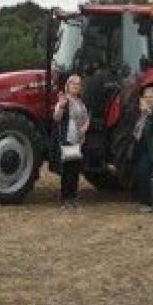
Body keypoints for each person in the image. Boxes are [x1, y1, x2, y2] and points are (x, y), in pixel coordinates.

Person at [53, 74, 90, 209]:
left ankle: (73, 198)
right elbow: (56, 118)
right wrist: (61, 106)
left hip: (78, 142)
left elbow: (86, 118)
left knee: (75, 171)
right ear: (68, 86)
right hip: (67, 141)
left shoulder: (80, 103)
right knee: (67, 171)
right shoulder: (64, 100)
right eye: (74, 83)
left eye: (79, 84)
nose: (76, 86)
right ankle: (65, 199)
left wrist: (85, 127)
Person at [130, 86, 153, 212]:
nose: (148, 99)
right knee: (140, 174)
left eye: (151, 97)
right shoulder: (142, 113)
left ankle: (148, 204)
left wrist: (148, 110)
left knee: (145, 174)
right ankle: (143, 201)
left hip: (151, 150)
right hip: (140, 148)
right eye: (146, 97)